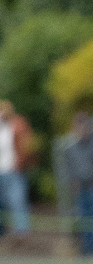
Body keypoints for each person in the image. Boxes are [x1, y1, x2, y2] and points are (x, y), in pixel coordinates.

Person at [65, 112, 93, 255]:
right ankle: (87, 249)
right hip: (80, 188)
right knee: (84, 218)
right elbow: (69, 167)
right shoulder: (71, 147)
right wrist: (73, 182)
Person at [0, 100, 35, 243]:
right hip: (2, 170)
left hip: (14, 171)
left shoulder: (17, 125)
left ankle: (22, 233)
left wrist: (19, 164)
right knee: (4, 203)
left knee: (17, 201)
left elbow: (26, 146)